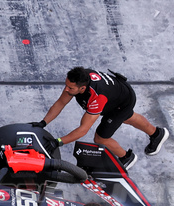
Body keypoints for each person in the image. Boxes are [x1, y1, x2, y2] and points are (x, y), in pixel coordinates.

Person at [37, 66, 166, 170]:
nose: (66, 89)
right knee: (128, 118)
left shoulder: (97, 97)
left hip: (121, 103)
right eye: (66, 85)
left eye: (70, 87)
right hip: (118, 91)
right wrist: (43, 122)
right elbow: (60, 103)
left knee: (101, 138)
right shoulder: (80, 78)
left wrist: (58, 142)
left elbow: (83, 129)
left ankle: (126, 157)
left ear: (82, 88)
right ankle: (157, 134)